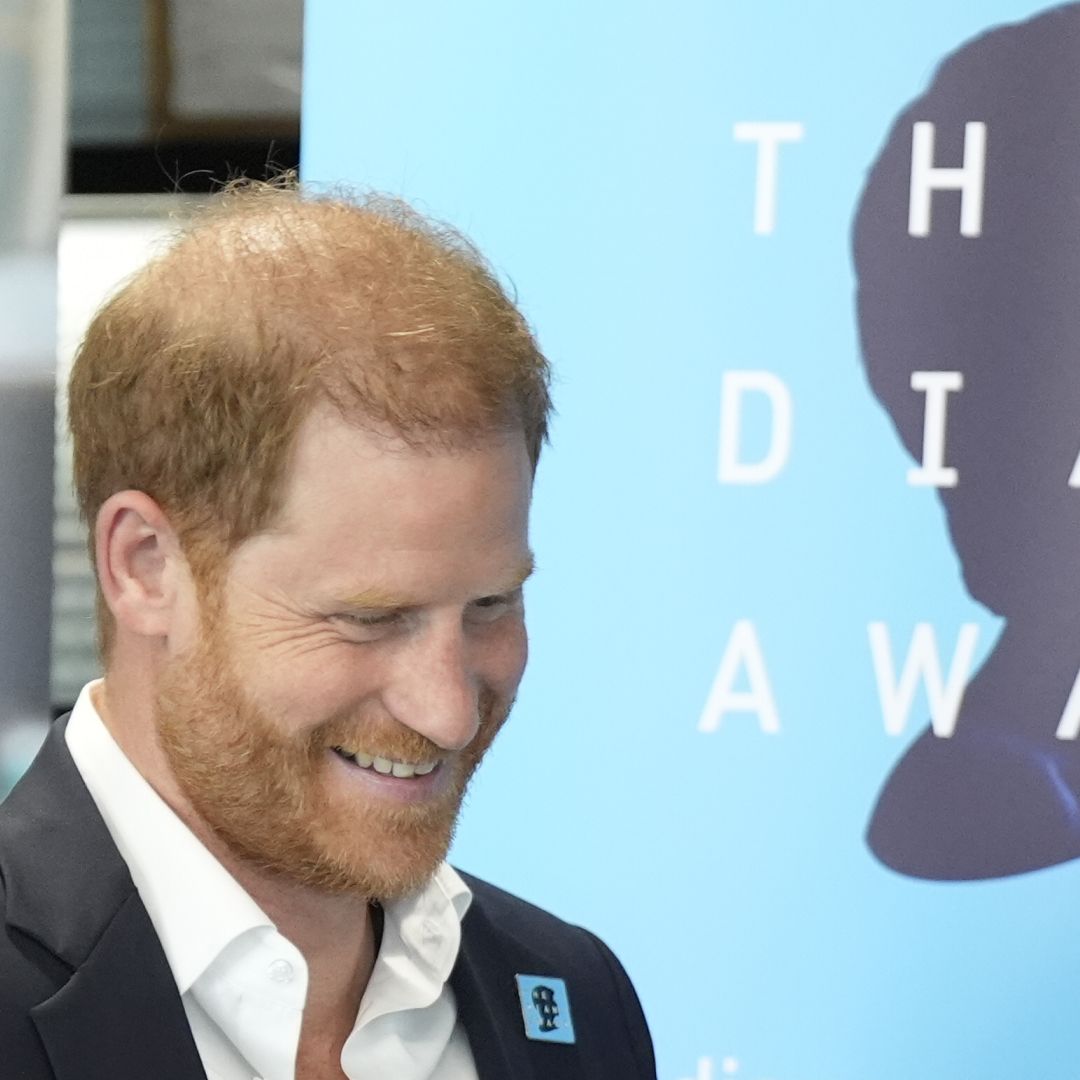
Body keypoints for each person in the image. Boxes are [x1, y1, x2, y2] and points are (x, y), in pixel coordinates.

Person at [0, 181, 656, 1080]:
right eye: (370, 618)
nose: (449, 712)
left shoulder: (574, 998)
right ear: (145, 565)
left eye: (491, 607)